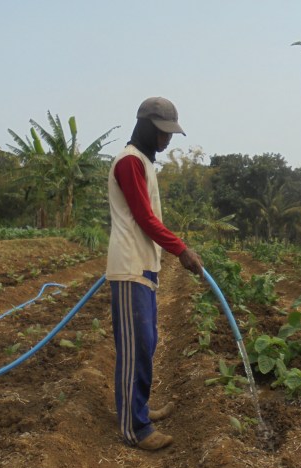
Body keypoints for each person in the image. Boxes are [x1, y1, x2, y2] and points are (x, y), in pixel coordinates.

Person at [106, 97, 204, 450]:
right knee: (137, 347)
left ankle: (140, 410)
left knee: (147, 344)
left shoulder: (143, 162)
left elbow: (147, 219)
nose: (168, 140)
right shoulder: (130, 161)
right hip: (130, 266)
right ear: (146, 126)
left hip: (143, 267)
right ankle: (134, 428)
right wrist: (181, 249)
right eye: (163, 133)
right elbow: (145, 219)